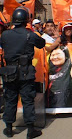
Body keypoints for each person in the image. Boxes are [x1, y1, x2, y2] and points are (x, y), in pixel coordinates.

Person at [0, 8, 45, 138]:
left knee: (10, 99)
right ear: (26, 20)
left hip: (9, 72)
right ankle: (30, 129)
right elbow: (41, 44)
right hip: (25, 72)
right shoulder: (29, 35)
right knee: (28, 100)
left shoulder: (5, 35)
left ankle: (8, 128)